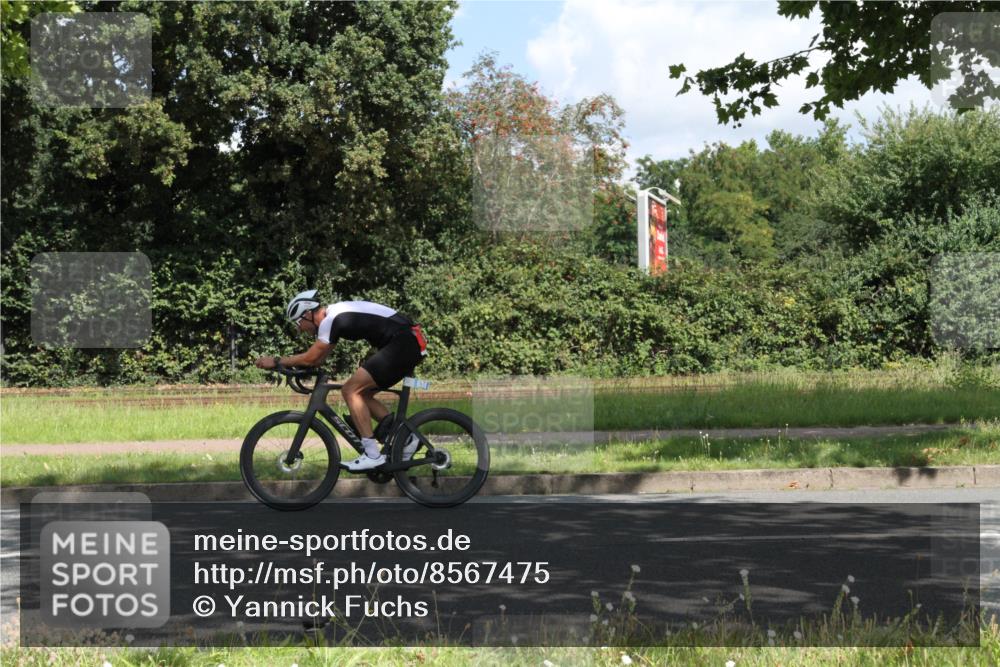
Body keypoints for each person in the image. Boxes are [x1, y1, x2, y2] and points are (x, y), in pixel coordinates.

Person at [255, 290, 427, 471]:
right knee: (362, 394)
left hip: (404, 343)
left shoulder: (331, 320)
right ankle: (407, 440)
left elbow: (311, 358)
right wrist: (292, 367)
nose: (300, 329)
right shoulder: (334, 318)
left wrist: (277, 361)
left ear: (308, 314)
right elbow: (318, 359)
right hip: (405, 342)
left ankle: (372, 455)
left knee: (351, 391)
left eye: (298, 323)